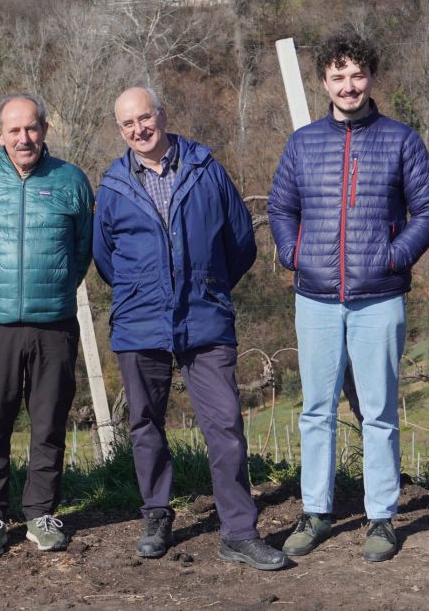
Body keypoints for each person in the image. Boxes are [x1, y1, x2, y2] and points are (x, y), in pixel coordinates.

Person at [94, 86, 288, 571]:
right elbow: (104, 259)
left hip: (205, 318)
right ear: (120, 130)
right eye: (128, 124)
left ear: (163, 114)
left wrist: (209, 284)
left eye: (146, 118)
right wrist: (145, 290)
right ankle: (156, 514)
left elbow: (241, 242)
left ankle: (239, 532)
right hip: (140, 323)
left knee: (225, 427)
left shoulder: (206, 170)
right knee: (145, 426)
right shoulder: (113, 185)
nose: (139, 129)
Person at [268, 32, 429, 562]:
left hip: (379, 297)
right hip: (316, 296)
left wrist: (393, 258)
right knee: (316, 411)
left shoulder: (400, 139)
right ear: (324, 81)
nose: (348, 85)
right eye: (338, 76)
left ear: (371, 78)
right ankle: (316, 511)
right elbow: (281, 207)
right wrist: (294, 253)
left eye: (357, 74)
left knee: (379, 412)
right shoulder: (303, 143)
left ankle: (382, 517)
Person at [0, 94, 94, 557]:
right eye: (14, 130)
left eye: (32, 128)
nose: (24, 138)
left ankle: (40, 513)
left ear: (44, 130)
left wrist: (55, 288)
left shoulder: (70, 181)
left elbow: (82, 251)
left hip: (54, 324)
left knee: (49, 422)